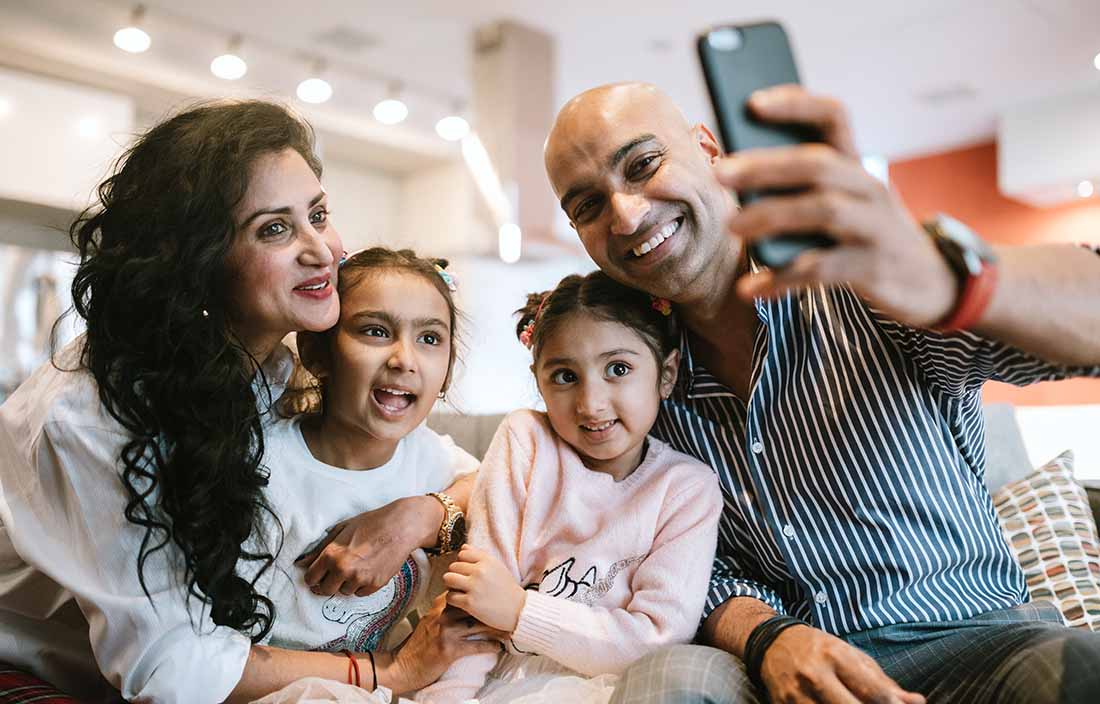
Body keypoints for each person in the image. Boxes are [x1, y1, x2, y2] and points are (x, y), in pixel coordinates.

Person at [542, 82, 1100, 704]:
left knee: (1080, 665)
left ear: (709, 148)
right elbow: (670, 563)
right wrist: (768, 637)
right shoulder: (633, 382)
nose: (625, 214)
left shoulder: (864, 285)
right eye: (588, 206)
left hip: (975, 644)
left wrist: (945, 280)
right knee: (667, 682)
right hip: (779, 665)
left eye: (644, 165)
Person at [0, 101, 489, 704]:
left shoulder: (267, 367)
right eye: (275, 229)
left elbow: (495, 477)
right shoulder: (95, 413)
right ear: (198, 263)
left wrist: (421, 514)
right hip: (34, 669)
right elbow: (174, 670)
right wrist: (386, 671)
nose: (324, 251)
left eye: (318, 215)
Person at [415, 270, 723, 704]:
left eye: (618, 369)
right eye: (564, 376)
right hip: (499, 681)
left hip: (619, 689)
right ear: (537, 378)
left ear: (667, 373)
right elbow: (475, 600)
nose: (591, 403)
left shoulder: (687, 488)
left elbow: (657, 637)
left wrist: (522, 611)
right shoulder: (525, 440)